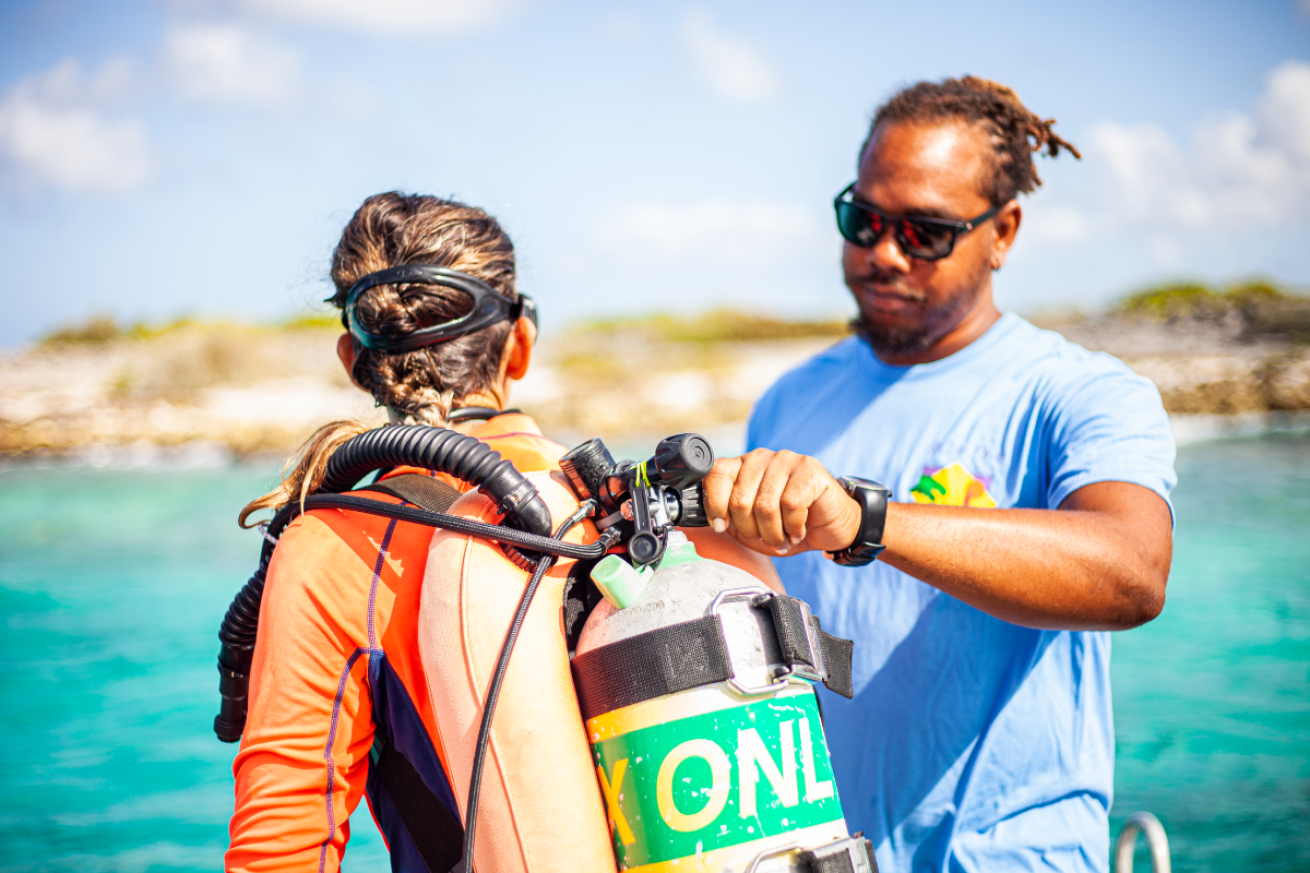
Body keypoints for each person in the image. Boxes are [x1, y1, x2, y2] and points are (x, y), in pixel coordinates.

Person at [700, 77, 1177, 873]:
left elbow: (1133, 572)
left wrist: (866, 521)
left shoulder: (1080, 391)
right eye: (865, 219)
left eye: (925, 231)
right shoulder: (789, 398)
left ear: (1004, 232)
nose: (884, 253)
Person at [225, 191, 779, 873]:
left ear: (352, 357)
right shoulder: (616, 506)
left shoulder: (334, 543)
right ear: (520, 341)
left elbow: (281, 848)